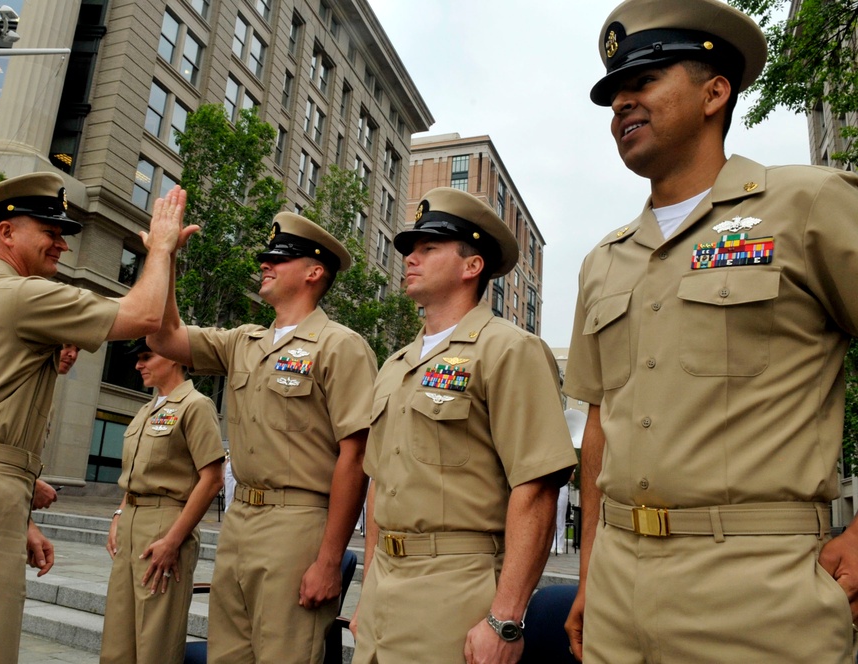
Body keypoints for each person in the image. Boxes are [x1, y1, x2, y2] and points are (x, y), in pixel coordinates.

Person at [563, 1, 858, 661]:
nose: (622, 105)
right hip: (616, 596)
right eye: (613, 95)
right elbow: (598, 426)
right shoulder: (603, 261)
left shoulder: (806, 206)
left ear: (714, 92)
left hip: (756, 596)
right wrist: (588, 574)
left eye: (644, 81)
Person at [0, 171, 193, 664]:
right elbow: (145, 317)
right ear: (7, 233)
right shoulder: (19, 294)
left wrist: (20, 501)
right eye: (50, 232)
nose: (62, 245)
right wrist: (160, 248)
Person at [351, 187, 577, 664]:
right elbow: (378, 484)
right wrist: (369, 581)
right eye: (411, 249)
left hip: (454, 588)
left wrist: (504, 618)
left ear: (471, 266)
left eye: (428, 248)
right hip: (382, 590)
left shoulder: (509, 350)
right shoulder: (394, 364)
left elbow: (537, 485)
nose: (410, 258)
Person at [149, 211, 377, 663]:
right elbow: (164, 337)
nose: (265, 265)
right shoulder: (243, 341)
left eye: (279, 258)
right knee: (227, 654)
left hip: (298, 523)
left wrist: (330, 559)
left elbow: (356, 457)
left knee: (285, 655)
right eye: (265, 258)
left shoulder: (340, 345)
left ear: (314, 272)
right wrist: (165, 257)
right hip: (239, 522)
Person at [100, 339, 224, 664]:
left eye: (146, 357)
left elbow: (211, 479)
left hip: (165, 525)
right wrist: (118, 514)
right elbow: (135, 474)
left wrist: (173, 540)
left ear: (172, 357)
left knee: (155, 639)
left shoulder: (196, 405)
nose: (138, 365)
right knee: (117, 638)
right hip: (131, 524)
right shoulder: (146, 409)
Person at [32, 344, 81, 511]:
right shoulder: (24, 385)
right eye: (65, 346)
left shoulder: (47, 393)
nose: (72, 355)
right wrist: (31, 485)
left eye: (78, 350)